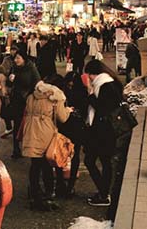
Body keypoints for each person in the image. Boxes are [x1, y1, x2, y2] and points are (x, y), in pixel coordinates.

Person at [21, 80, 71, 211]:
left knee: (35, 165)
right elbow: (62, 118)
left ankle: (34, 193)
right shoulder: (56, 97)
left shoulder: (32, 96)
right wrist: (68, 110)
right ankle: (48, 195)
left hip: (31, 132)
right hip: (46, 133)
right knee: (47, 165)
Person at [83, 60, 125, 207]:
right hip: (101, 132)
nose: (89, 79)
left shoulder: (107, 86)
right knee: (99, 161)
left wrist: (90, 94)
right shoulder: (104, 84)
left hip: (105, 132)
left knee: (99, 162)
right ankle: (103, 192)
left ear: (95, 74)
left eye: (90, 75)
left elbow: (102, 109)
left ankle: (104, 194)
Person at [54, 72, 89, 198]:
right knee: (62, 154)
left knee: (69, 155)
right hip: (70, 127)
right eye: (69, 83)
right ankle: (62, 183)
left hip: (71, 127)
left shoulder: (67, 92)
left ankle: (68, 184)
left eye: (72, 83)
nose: (71, 85)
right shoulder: (78, 92)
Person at [8, 51, 39, 159]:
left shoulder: (31, 68)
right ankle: (16, 149)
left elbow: (36, 83)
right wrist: (10, 80)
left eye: (18, 58)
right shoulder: (14, 68)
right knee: (17, 124)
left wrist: (16, 79)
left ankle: (30, 148)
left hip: (27, 101)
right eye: (15, 58)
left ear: (24, 59)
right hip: (16, 100)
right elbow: (10, 83)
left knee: (28, 125)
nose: (16, 60)